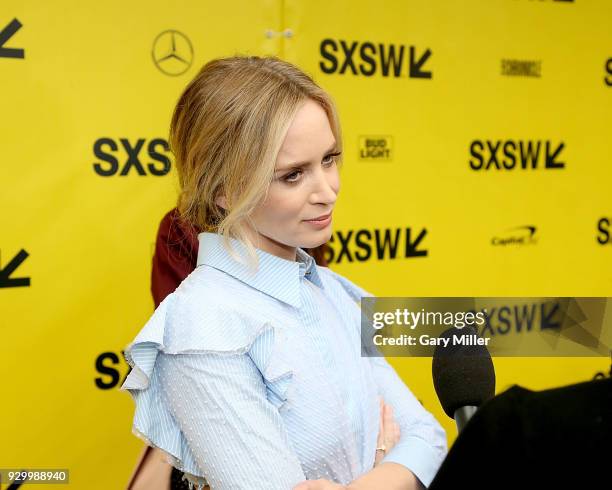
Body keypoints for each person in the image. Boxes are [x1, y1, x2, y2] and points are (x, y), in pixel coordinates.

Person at [121, 55, 447, 490]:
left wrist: (371, 478)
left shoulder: (335, 291)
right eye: (293, 175)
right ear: (222, 189)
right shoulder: (201, 324)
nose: (328, 191)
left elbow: (428, 436)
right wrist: (392, 467)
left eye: (330, 159)